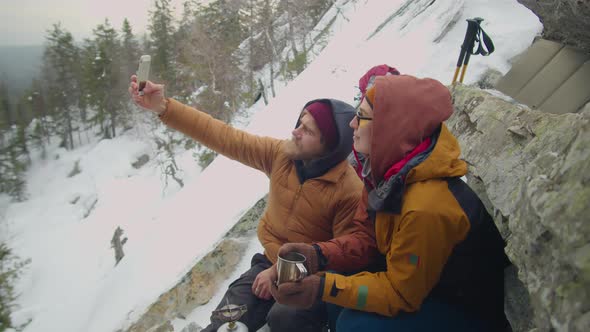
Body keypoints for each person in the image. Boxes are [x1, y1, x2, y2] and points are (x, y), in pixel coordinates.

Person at [128, 76, 375, 332]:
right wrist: (163, 107)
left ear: (330, 148)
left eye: (308, 130)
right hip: (265, 263)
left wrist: (281, 274)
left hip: (309, 280)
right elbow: (224, 137)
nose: (295, 131)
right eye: (300, 122)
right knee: (226, 322)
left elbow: (341, 258)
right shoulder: (282, 155)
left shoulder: (348, 191)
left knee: (284, 319)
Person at [271, 74, 510, 331]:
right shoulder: (388, 174)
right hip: (425, 287)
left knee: (355, 324)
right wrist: (317, 255)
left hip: (467, 309)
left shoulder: (426, 206)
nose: (352, 123)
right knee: (337, 291)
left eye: (361, 116)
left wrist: (323, 287)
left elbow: (400, 293)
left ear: (389, 126)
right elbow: (368, 239)